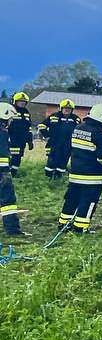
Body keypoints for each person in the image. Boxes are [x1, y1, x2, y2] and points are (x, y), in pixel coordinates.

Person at [59, 103, 102, 235]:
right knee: (88, 202)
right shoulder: (101, 134)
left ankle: (63, 225)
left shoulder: (78, 128)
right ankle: (80, 228)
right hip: (93, 177)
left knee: (71, 200)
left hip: (75, 174)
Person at [0, 102, 24, 238]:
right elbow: (2, 156)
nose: (11, 122)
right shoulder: (2, 133)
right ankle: (12, 230)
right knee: (8, 201)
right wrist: (5, 173)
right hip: (2, 172)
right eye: (10, 119)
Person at [40, 99, 79, 179]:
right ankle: (48, 177)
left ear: (72, 110)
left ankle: (58, 177)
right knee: (52, 161)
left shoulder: (76, 119)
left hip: (68, 144)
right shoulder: (54, 116)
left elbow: (79, 130)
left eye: (69, 109)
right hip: (54, 143)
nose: (67, 110)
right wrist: (47, 135)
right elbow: (41, 126)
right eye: (65, 108)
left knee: (63, 161)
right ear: (61, 109)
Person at [8, 92, 34, 172]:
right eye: (20, 101)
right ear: (15, 101)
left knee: (18, 158)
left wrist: (30, 141)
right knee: (8, 157)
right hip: (11, 139)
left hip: (21, 141)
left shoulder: (26, 112)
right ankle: (5, 174)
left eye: (24, 101)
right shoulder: (10, 110)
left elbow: (29, 128)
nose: (22, 103)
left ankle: (13, 174)